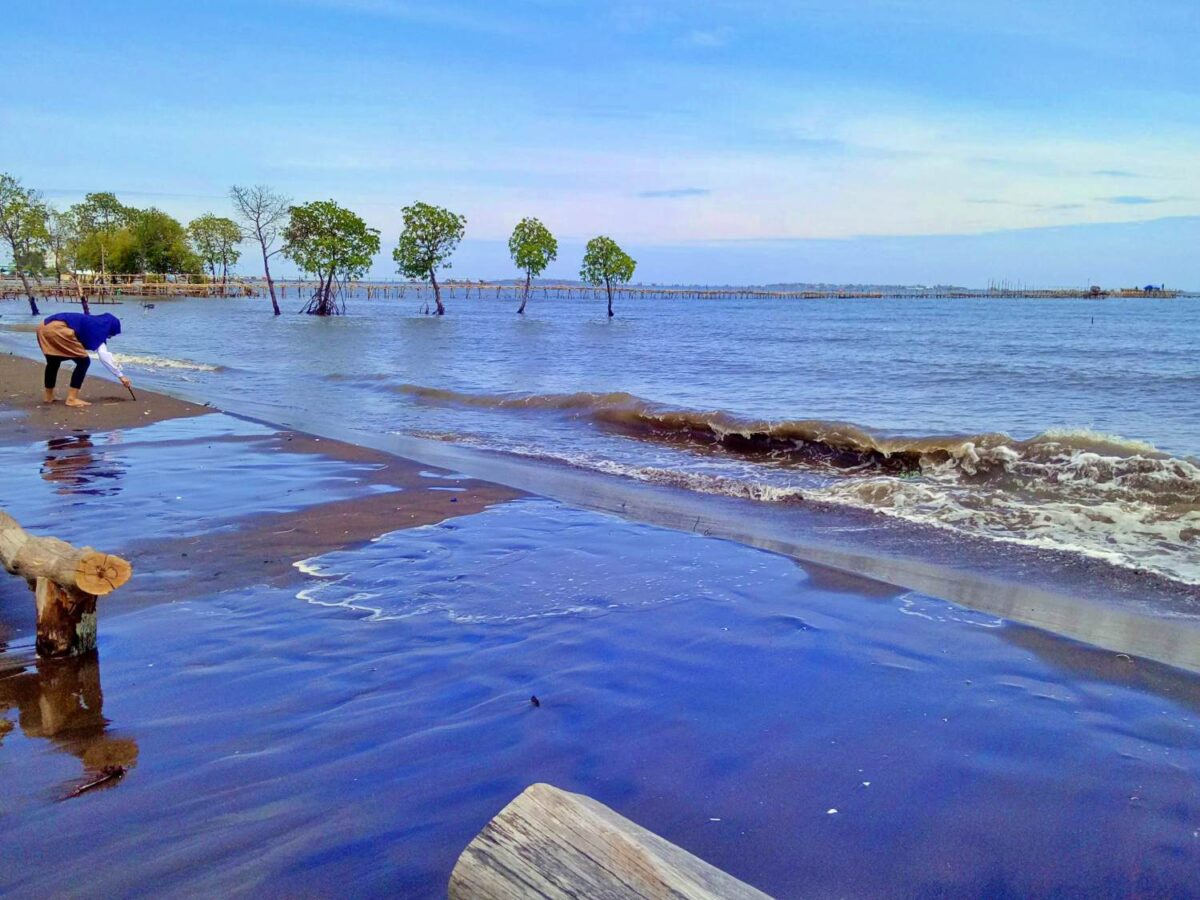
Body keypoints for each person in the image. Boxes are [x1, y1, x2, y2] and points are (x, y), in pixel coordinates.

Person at [36, 312, 132, 407]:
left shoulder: (93, 322)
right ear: (109, 328)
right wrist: (121, 376)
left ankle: (48, 396)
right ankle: (72, 399)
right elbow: (103, 356)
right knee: (84, 361)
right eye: (111, 334)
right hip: (59, 329)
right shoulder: (99, 329)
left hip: (43, 326)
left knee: (54, 360)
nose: (109, 337)